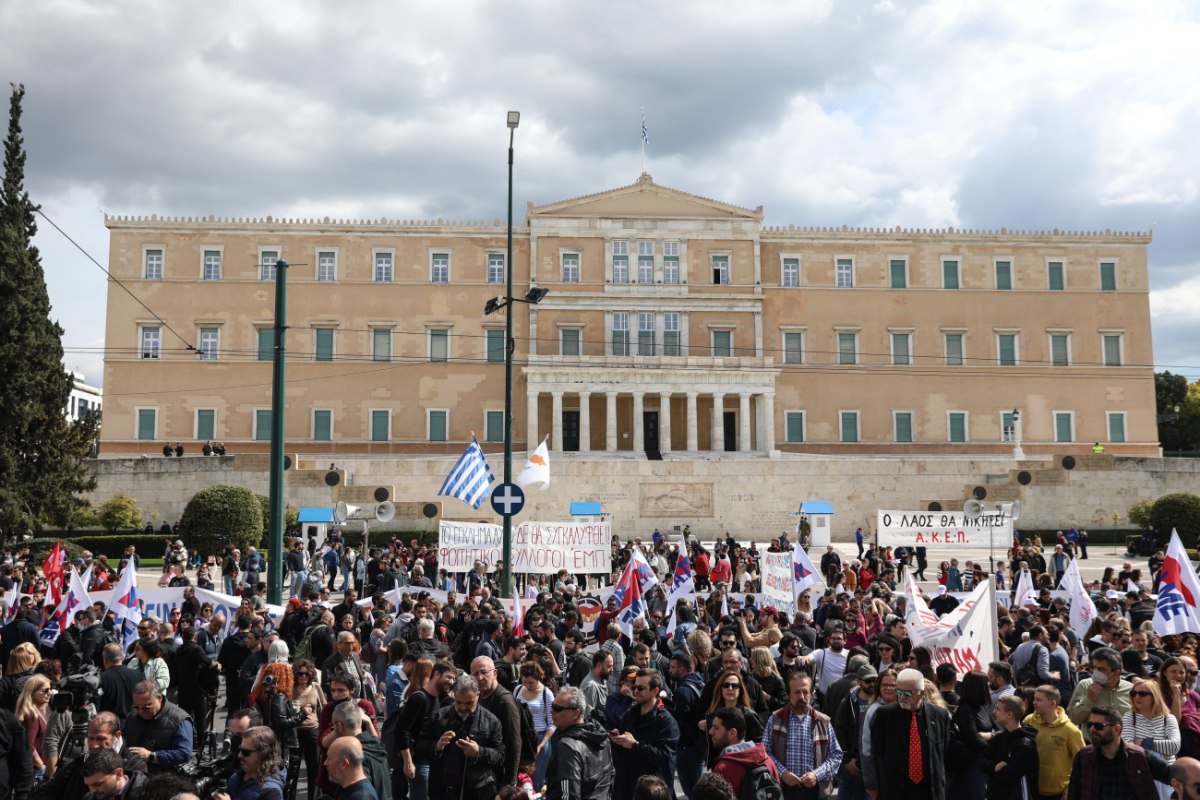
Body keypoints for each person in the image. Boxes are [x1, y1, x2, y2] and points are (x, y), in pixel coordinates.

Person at [416, 673, 505, 800]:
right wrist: (436, 746)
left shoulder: (491, 721)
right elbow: (419, 747)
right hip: (442, 790)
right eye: (458, 702)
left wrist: (479, 752)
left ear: (478, 695)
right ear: (453, 695)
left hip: (476, 791)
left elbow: (500, 756)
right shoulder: (438, 717)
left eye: (469, 703)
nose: (463, 707)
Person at [872, 668, 951, 800]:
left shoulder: (939, 715)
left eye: (907, 693)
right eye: (899, 691)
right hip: (897, 791)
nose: (902, 697)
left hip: (930, 791)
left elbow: (945, 750)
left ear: (921, 693)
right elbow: (878, 751)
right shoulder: (884, 715)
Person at [762, 669, 841, 799]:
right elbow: (765, 753)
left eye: (805, 692)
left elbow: (836, 755)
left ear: (811, 693)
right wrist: (783, 773)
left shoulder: (823, 721)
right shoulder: (776, 719)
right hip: (783, 790)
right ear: (788, 694)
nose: (802, 697)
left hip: (814, 791)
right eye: (797, 692)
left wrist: (816, 775)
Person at [1066, 706, 1170, 800]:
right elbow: (1074, 793)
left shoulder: (1139, 756)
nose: (1092, 729)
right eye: (1090, 725)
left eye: (1098, 726)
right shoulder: (1084, 756)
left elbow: (1172, 776)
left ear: (1117, 729)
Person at [611, 668, 680, 798]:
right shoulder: (631, 713)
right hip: (626, 789)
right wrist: (616, 740)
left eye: (641, 688)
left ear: (655, 691)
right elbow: (622, 750)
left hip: (651, 793)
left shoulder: (666, 722)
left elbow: (665, 758)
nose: (636, 691)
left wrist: (635, 745)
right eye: (635, 687)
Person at [395, 661, 454, 800]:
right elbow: (402, 730)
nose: (451, 682)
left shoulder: (437, 699)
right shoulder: (419, 698)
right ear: (437, 674)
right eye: (448, 677)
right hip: (419, 762)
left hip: (431, 760)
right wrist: (408, 762)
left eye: (453, 679)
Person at [544, 686, 614, 800]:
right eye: (552, 706)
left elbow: (568, 794)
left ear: (575, 713)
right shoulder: (601, 734)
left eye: (557, 708)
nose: (551, 711)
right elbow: (611, 776)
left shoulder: (567, 746)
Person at [1024, 684, 1085, 800]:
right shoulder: (1029, 721)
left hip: (1058, 793)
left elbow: (1082, 763)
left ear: (1052, 703)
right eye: (1034, 698)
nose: (1034, 702)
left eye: (1039, 700)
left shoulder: (1070, 730)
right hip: (1032, 788)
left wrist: (1068, 791)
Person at [1123, 678, 1181, 798]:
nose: (1137, 697)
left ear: (1154, 696)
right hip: (1140, 775)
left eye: (1142, 694)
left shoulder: (1168, 719)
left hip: (1166, 776)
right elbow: (1127, 746)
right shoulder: (1129, 717)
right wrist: (1162, 745)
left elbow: (1174, 747)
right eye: (1134, 693)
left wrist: (1143, 742)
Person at [470, 656, 523, 789]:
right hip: (484, 774)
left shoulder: (505, 701)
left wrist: (510, 783)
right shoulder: (479, 696)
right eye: (475, 674)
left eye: (483, 672)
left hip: (500, 777)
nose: (480, 678)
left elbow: (514, 742)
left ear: (495, 673)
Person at [122, 679, 193, 774]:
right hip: (135, 774)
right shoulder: (132, 716)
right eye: (136, 706)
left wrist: (151, 756)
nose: (141, 711)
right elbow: (122, 739)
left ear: (159, 698)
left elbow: (184, 754)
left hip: (165, 777)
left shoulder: (179, 719)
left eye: (146, 707)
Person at [710, 706, 779, 797]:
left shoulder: (723, 769)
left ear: (732, 733)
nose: (711, 731)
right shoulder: (767, 760)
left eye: (716, 728)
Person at [1068, 648, 1133, 742]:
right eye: (1094, 668)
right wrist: (1088, 700)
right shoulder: (1085, 685)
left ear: (1117, 672)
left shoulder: (1131, 690)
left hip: (1123, 748)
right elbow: (1072, 719)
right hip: (1092, 747)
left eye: (1101, 669)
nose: (1096, 672)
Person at [983, 694, 1040, 800]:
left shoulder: (1025, 744)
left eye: (998, 709)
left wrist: (992, 772)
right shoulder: (999, 737)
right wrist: (994, 767)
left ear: (1009, 715)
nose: (994, 712)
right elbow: (982, 760)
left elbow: (1010, 775)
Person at [213, 726, 285, 800]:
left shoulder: (271, 792)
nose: (239, 755)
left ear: (263, 754)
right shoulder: (239, 776)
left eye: (245, 752)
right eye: (240, 750)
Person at [291, 659, 325, 800]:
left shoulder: (316, 687)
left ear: (311, 674)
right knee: (293, 769)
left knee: (314, 770)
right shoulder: (291, 689)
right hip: (295, 732)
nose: (303, 676)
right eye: (300, 673)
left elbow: (323, 708)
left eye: (306, 674)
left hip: (313, 731)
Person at [15, 675, 50, 781]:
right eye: (45, 690)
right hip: (35, 772)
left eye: (50, 689)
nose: (50, 693)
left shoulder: (40, 711)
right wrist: (40, 766)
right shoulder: (32, 715)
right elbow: (28, 745)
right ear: (33, 693)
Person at [80, 748, 147, 800]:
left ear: (118, 774)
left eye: (98, 784)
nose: (92, 791)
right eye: (89, 785)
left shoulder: (149, 794)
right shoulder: (89, 798)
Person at [324, 736, 378, 800]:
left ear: (344, 764)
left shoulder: (360, 797)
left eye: (330, 758)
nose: (325, 763)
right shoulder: (345, 786)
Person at [98, 644, 140, 720]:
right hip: (134, 722)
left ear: (105, 659)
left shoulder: (102, 678)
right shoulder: (138, 674)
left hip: (109, 723)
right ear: (122, 657)